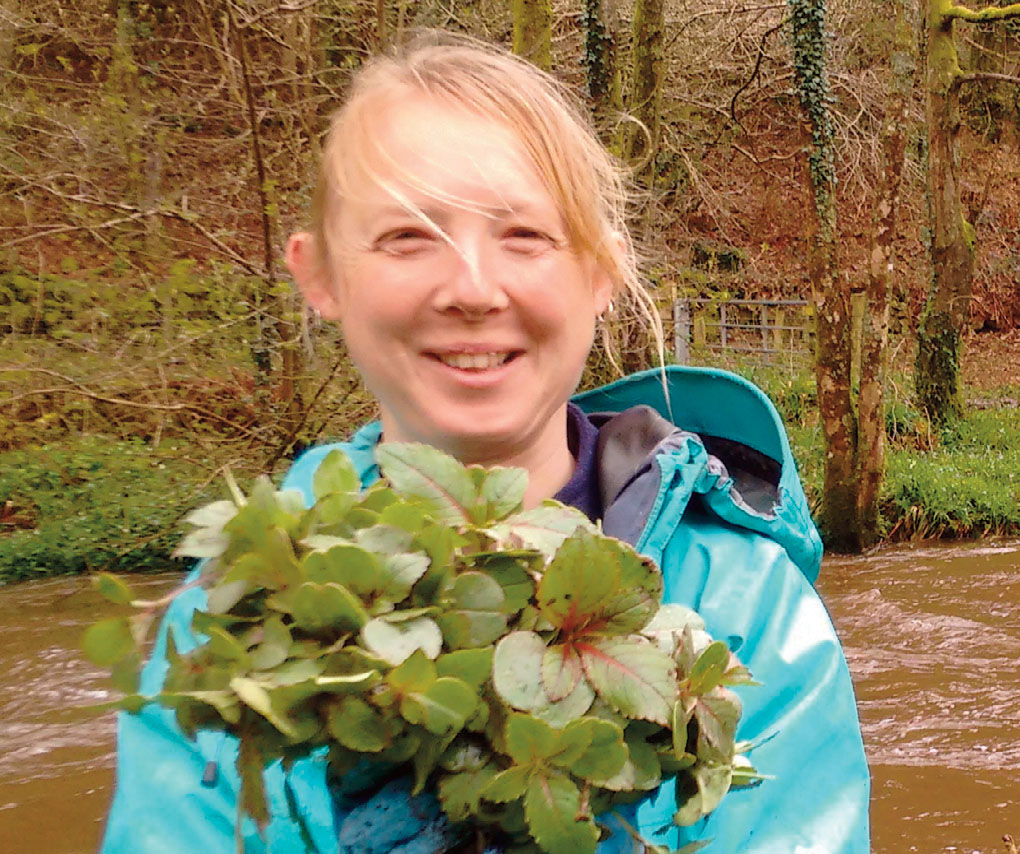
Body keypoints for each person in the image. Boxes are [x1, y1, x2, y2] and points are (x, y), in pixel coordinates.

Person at [101, 33, 870, 854]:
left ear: (602, 272)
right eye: (407, 236)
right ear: (318, 274)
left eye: (526, 236)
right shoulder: (228, 619)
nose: (471, 288)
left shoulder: (750, 612)